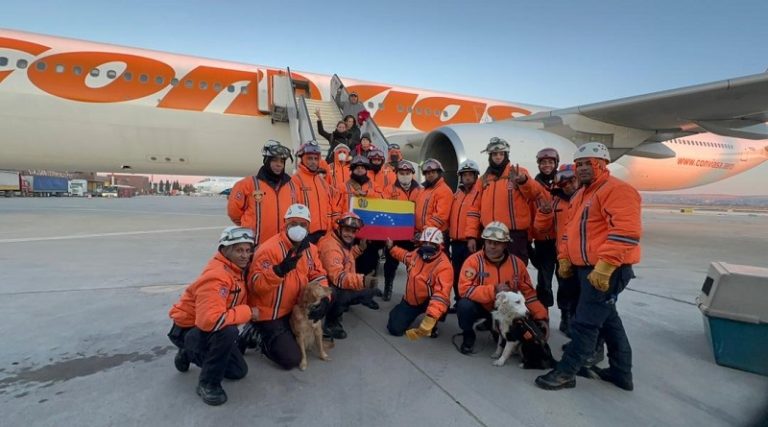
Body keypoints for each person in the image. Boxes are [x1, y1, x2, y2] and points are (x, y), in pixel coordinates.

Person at [535, 142, 641, 392]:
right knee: (609, 321)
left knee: (584, 323)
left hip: (608, 270)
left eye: (588, 164)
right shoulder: (582, 195)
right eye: (579, 164)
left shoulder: (617, 190)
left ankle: (566, 372)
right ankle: (621, 372)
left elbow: (626, 232)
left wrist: (605, 266)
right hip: (586, 270)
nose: (582, 169)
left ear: (602, 165)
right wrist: (564, 258)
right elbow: (568, 233)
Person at [168, 226, 257, 406]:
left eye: (248, 250)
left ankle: (187, 354)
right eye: (239, 250)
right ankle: (207, 384)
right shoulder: (217, 276)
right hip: (189, 330)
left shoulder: (236, 270)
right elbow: (210, 321)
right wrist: (248, 312)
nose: (245, 255)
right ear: (224, 250)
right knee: (227, 331)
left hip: (202, 329)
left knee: (238, 372)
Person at [242, 204, 331, 370]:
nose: (298, 228)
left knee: (315, 339)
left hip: (295, 309)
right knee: (291, 358)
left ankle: (280, 335)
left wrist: (325, 299)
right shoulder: (269, 249)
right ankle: (256, 333)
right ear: (285, 224)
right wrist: (278, 271)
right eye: (293, 223)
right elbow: (255, 286)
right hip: (270, 312)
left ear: (308, 226)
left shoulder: (310, 249)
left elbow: (318, 274)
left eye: (303, 224)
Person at [455, 221, 548, 354]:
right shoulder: (473, 261)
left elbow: (529, 294)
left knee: (510, 341)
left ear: (505, 244)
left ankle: (491, 325)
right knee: (464, 305)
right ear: (484, 242)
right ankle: (468, 334)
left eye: (497, 243)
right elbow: (465, 289)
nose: (492, 246)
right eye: (489, 242)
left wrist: (541, 317)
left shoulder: (517, 264)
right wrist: (494, 290)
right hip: (482, 306)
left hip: (505, 312)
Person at [479, 137, 541, 264]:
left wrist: (523, 181)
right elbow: (475, 207)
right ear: (490, 156)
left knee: (516, 269)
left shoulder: (518, 172)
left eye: (501, 154)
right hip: (491, 234)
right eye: (495, 154)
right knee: (492, 269)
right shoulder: (484, 179)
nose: (498, 157)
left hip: (514, 234)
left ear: (506, 155)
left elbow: (534, 194)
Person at [534, 164, 580, 336]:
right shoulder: (555, 201)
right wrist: (544, 213)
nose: (567, 184)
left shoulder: (584, 199)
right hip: (554, 248)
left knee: (566, 287)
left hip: (573, 253)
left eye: (572, 179)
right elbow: (541, 228)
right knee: (544, 284)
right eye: (563, 180)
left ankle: (566, 317)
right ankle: (542, 316)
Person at [318, 212, 379, 339]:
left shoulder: (339, 241)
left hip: (333, 283)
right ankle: (330, 323)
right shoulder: (331, 247)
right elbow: (338, 277)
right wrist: (363, 281)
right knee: (345, 292)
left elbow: (345, 260)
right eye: (346, 230)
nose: (350, 234)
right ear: (338, 228)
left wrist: (359, 249)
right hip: (327, 288)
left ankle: (339, 307)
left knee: (369, 291)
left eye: (353, 231)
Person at [385, 227, 453, 338]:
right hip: (411, 300)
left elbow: (441, 294)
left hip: (429, 300)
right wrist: (392, 248)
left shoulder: (444, 266)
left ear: (439, 245)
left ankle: (434, 321)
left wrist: (431, 317)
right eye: (425, 242)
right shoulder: (416, 253)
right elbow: (405, 256)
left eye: (432, 243)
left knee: (441, 304)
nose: (428, 246)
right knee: (394, 329)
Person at [227, 140, 297, 246]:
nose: (279, 164)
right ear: (266, 161)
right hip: (255, 246)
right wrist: (248, 225)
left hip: (283, 247)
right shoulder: (247, 184)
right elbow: (234, 212)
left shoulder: (292, 186)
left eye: (282, 161)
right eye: (274, 160)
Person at [381, 160, 422, 301]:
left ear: (412, 174)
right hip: (395, 234)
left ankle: (413, 290)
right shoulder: (389, 190)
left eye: (407, 173)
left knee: (415, 265)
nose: (405, 176)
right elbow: (385, 212)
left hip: (414, 235)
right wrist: (387, 234)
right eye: (402, 173)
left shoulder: (421, 191)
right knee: (390, 263)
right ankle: (388, 287)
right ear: (397, 174)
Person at [448, 159, 482, 310]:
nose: (467, 177)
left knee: (469, 275)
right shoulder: (457, 195)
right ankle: (459, 301)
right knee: (456, 273)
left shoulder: (480, 195)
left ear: (476, 176)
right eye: (464, 175)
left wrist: (473, 237)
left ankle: (470, 303)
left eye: (470, 174)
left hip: (471, 243)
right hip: (455, 242)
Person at [529, 148, 560, 307]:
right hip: (542, 241)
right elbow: (528, 212)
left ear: (556, 163)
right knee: (544, 281)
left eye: (550, 162)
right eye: (543, 162)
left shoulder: (563, 183)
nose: (547, 165)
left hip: (561, 241)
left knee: (565, 280)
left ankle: (566, 315)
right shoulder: (534, 186)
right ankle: (543, 312)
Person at [291, 140, 337, 243]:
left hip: (324, 232)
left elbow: (334, 198)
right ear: (302, 159)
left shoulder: (321, 180)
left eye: (316, 159)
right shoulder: (295, 180)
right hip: (305, 234)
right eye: (309, 158)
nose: (313, 162)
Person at [415, 158, 453, 242]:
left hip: (437, 236)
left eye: (433, 172)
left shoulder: (444, 190)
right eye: (427, 173)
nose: (430, 175)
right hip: (423, 235)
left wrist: (425, 230)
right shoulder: (423, 190)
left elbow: (441, 216)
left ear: (439, 173)